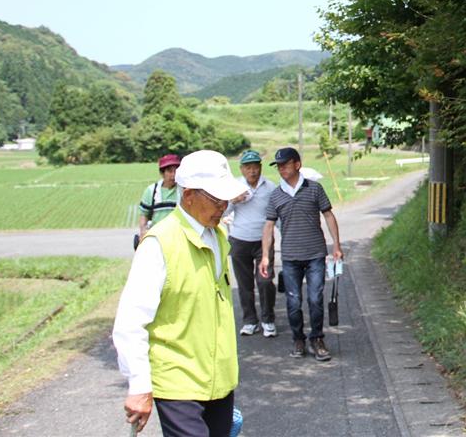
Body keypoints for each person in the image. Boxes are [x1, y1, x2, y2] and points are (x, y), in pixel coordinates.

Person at [113, 150, 248, 435]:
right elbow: (130, 321)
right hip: (178, 380)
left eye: (225, 198)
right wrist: (139, 386)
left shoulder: (218, 236)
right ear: (188, 196)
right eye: (215, 199)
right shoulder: (158, 244)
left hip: (219, 377)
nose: (223, 206)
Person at [259, 147, 343, 362]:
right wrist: (266, 257)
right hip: (290, 257)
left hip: (315, 253)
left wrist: (336, 246)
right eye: (278, 166)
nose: (281, 169)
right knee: (293, 302)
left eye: (285, 164)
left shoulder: (315, 189)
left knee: (315, 299)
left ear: (297, 164)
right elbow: (268, 227)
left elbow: (329, 216)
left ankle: (317, 339)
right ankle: (298, 338)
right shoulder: (276, 196)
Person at [225, 149, 278, 338]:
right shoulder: (234, 186)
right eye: (248, 167)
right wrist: (234, 200)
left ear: (260, 168)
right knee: (244, 283)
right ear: (241, 169)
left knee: (264, 281)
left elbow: (276, 215)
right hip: (239, 240)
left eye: (255, 167)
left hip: (264, 241)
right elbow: (223, 212)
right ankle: (249, 320)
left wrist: (286, 233)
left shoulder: (270, 187)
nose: (252, 171)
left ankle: (268, 319)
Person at [136, 154, 181, 248]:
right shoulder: (151, 191)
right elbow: (144, 214)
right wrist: (143, 232)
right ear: (162, 173)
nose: (173, 175)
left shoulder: (183, 191)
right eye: (169, 171)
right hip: (157, 237)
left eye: (176, 171)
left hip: (178, 237)